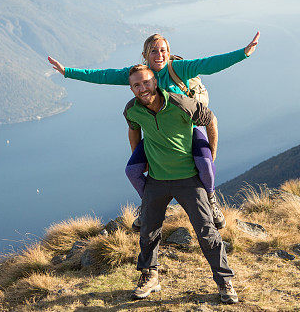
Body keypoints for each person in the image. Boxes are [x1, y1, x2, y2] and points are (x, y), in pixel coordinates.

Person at [47, 31, 259, 229]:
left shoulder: (179, 68)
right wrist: (68, 72)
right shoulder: (138, 74)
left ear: (169, 52)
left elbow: (210, 64)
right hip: (156, 136)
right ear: (145, 54)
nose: (159, 54)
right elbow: (103, 75)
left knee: (205, 163)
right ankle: (149, 203)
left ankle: (211, 200)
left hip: (187, 130)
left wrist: (243, 53)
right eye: (154, 50)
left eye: (163, 50)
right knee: (132, 171)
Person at [123, 64, 238, 303]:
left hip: (188, 179)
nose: (142, 88)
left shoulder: (180, 104)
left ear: (155, 82)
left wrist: (211, 156)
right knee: (148, 232)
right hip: (156, 179)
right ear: (131, 88)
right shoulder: (132, 110)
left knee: (207, 233)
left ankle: (224, 281)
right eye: (136, 85)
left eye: (146, 82)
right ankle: (150, 277)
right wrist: (139, 156)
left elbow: (211, 119)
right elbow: (133, 129)